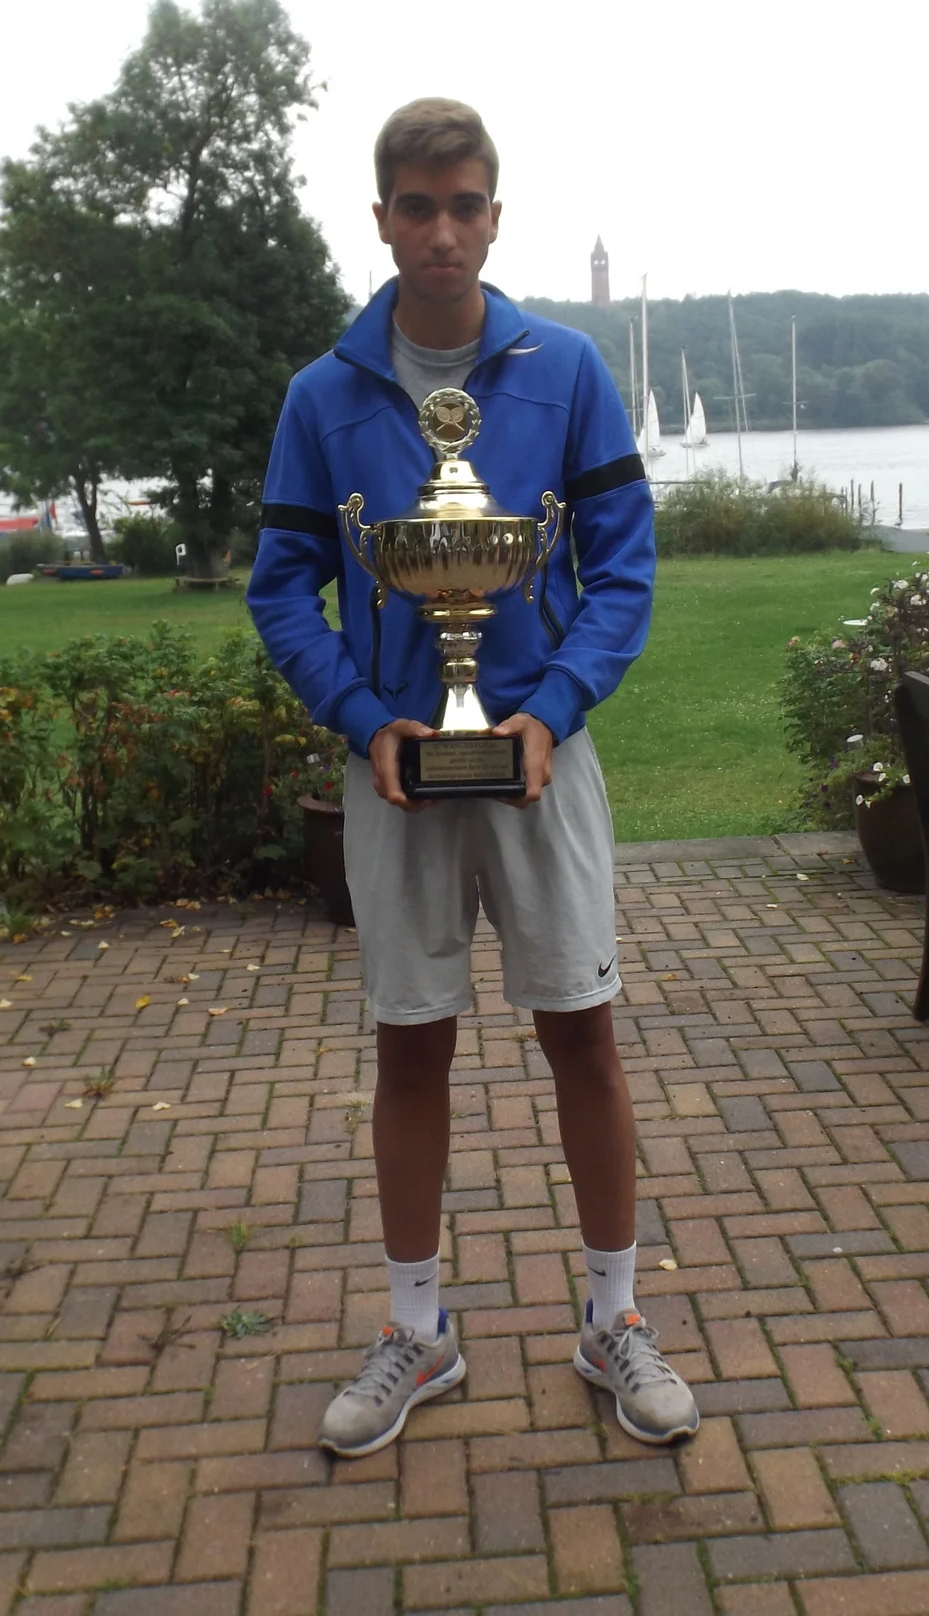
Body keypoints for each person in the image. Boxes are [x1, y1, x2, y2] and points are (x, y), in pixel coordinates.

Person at [248, 98, 697, 1458]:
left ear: (495, 218)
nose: (441, 231)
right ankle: (417, 1331)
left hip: (542, 762)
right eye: (417, 206)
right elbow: (283, 587)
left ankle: (613, 1317)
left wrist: (552, 708)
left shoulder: (566, 370)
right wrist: (363, 718)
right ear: (382, 218)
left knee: (584, 1035)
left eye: (464, 206)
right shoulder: (323, 396)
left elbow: (623, 568)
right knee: (410, 1044)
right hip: (396, 767)